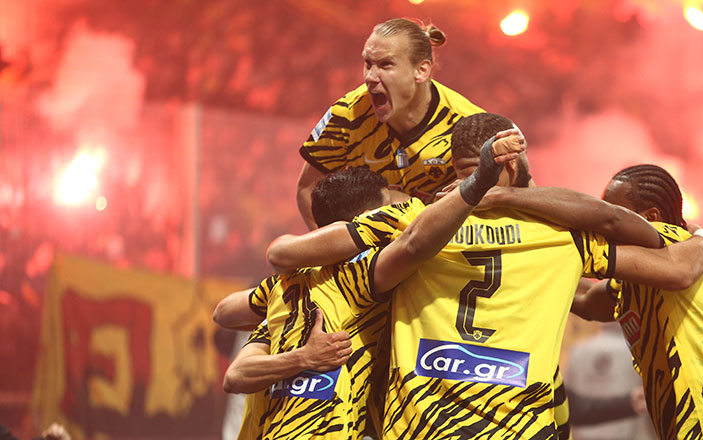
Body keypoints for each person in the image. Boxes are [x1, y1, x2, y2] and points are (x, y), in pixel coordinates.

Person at [267, 112, 703, 439]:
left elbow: (285, 252)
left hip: (423, 427)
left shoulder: (414, 219)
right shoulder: (565, 235)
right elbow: (656, 257)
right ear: (514, 165)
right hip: (521, 428)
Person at [215, 133, 525, 439]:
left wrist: (288, 338)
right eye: (393, 199)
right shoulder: (360, 276)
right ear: (372, 216)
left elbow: (227, 321)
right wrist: (478, 182)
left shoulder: (286, 289)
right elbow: (414, 244)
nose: (404, 201)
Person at [573, 164, 703, 439]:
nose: (605, 227)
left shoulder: (672, 242)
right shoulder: (637, 278)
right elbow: (585, 299)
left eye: (616, 214)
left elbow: (681, 268)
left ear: (651, 218)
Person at [296, 17, 484, 230]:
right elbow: (307, 188)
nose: (370, 77)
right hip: (370, 243)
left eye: (386, 64)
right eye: (368, 64)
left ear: (421, 70)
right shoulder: (347, 115)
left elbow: (495, 198)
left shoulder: (468, 125)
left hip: (444, 241)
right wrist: (331, 246)